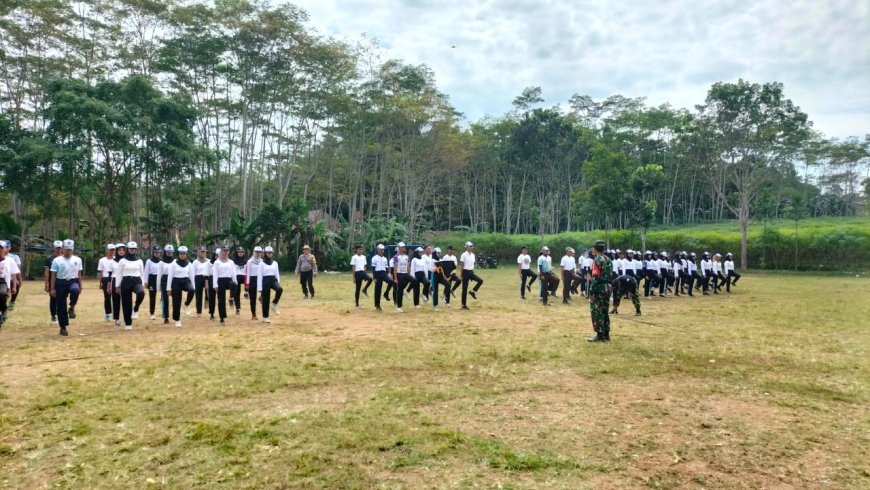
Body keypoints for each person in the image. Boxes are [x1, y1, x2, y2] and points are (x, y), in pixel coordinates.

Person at [48, 240, 83, 336]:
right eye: (67, 250)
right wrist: (52, 288)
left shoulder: (78, 260)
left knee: (75, 291)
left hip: (73, 281)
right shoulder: (57, 260)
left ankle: (71, 307)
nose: (68, 252)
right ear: (63, 249)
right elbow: (53, 275)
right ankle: (63, 327)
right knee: (61, 306)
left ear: (73, 250)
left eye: (70, 250)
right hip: (60, 282)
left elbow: (79, 273)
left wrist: (80, 285)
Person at [114, 242, 146, 330]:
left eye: (134, 249)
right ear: (128, 249)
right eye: (130, 249)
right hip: (126, 281)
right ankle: (128, 323)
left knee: (141, 293)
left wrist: (142, 285)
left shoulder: (139, 261)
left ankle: (135, 308)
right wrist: (117, 286)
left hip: (136, 280)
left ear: (136, 250)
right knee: (126, 303)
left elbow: (142, 274)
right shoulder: (122, 261)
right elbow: (119, 274)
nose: (132, 250)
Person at [588, 241, 613, 343]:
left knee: (597, 312)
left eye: (593, 248)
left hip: (599, 288)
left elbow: (596, 278)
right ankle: (606, 334)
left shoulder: (597, 260)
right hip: (607, 287)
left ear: (595, 249)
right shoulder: (608, 259)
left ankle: (600, 334)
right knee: (605, 311)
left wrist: (591, 292)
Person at [164, 246, 195, 328]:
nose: (182, 255)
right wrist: (168, 288)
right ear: (178, 254)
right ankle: (177, 320)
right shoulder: (173, 264)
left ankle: (187, 304)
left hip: (185, 280)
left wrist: (193, 286)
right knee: (176, 302)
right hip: (176, 282)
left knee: (191, 290)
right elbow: (170, 276)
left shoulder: (189, 264)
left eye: (184, 254)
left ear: (186, 254)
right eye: (181, 253)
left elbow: (192, 276)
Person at [212, 247, 237, 325]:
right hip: (220, 280)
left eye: (227, 251)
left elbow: (233, 273)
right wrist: (215, 285)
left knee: (233, 284)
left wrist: (235, 281)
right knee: (221, 300)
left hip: (229, 280)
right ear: (221, 252)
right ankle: (222, 318)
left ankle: (231, 298)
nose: (225, 253)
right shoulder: (217, 262)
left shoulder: (231, 262)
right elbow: (215, 274)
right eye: (224, 251)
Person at [257, 246, 282, 322]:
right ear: (265, 253)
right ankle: (265, 317)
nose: (270, 254)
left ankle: (275, 303)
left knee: (280, 289)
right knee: (266, 300)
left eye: (271, 253)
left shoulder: (275, 263)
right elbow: (260, 276)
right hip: (265, 281)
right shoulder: (261, 264)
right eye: (268, 253)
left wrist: (278, 282)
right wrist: (260, 288)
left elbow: (277, 274)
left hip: (273, 280)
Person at [43, 240, 63, 324]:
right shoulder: (49, 259)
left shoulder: (64, 258)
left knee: (61, 299)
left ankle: (60, 314)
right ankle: (53, 316)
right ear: (54, 248)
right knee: (53, 298)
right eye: (57, 248)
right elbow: (47, 272)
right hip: (52, 281)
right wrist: (46, 284)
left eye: (60, 248)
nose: (58, 249)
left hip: (62, 281)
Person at [459, 242, 483, 310]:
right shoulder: (463, 255)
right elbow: (462, 265)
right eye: (470, 246)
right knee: (464, 289)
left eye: (472, 246)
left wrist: (472, 271)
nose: (471, 247)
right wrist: (461, 275)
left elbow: (472, 264)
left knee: (480, 280)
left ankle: (472, 291)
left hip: (471, 272)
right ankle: (463, 305)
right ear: (466, 247)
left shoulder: (473, 255)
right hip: (465, 272)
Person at [391, 242, 414, 313]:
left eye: (404, 247)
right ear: (399, 248)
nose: (404, 248)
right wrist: (395, 278)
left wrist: (409, 274)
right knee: (399, 290)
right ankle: (399, 307)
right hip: (399, 274)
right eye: (402, 247)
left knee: (414, 280)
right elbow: (395, 268)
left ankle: (407, 291)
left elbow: (407, 266)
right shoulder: (396, 257)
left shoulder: (406, 256)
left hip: (405, 273)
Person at [0, 246, 19, 328]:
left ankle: (3, 310)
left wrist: (14, 286)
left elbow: (13, 274)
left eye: (1, 248)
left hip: (3, 281)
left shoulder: (9, 260)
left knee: (2, 295)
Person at [370, 244, 393, 312]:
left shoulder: (385, 258)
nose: (382, 250)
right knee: (378, 290)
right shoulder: (374, 258)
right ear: (377, 250)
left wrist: (387, 275)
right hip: (377, 273)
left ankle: (386, 293)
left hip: (383, 273)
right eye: (380, 249)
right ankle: (377, 305)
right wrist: (374, 278)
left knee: (391, 281)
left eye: (383, 249)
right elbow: (373, 269)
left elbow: (386, 268)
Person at [97, 244, 116, 322]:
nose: (112, 252)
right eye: (110, 250)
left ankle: (116, 313)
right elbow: (101, 272)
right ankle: (107, 314)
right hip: (105, 279)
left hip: (114, 278)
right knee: (107, 297)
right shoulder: (102, 260)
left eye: (113, 250)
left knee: (115, 297)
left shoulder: (116, 259)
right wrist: (100, 282)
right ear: (107, 251)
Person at [109, 243, 126, 326]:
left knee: (126, 300)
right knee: (116, 300)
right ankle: (117, 319)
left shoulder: (127, 260)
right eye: (119, 250)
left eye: (123, 250)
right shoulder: (112, 261)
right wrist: (109, 286)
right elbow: (109, 274)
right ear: (116, 251)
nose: (121, 252)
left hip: (125, 280)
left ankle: (127, 318)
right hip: (115, 280)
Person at [192, 246, 212, 317]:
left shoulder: (209, 261)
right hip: (198, 278)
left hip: (207, 277)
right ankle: (199, 312)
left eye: (204, 252)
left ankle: (207, 301)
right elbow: (193, 273)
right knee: (198, 295)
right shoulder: (195, 262)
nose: (202, 253)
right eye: (201, 252)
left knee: (209, 292)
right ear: (198, 252)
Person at [245, 246, 264, 320]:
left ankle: (261, 297)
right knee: (252, 298)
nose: (258, 254)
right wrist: (247, 283)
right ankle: (254, 314)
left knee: (264, 294)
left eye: (259, 252)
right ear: (254, 252)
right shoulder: (250, 261)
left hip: (260, 279)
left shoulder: (262, 261)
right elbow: (247, 273)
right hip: (252, 279)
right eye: (257, 252)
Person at [144, 246, 162, 320]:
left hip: (160, 278)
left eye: (158, 252)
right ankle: (152, 313)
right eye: (156, 252)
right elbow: (146, 272)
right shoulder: (149, 261)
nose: (157, 254)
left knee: (163, 296)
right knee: (152, 297)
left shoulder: (161, 261)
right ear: (153, 253)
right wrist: (146, 281)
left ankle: (164, 312)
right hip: (152, 279)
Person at [5, 242, 21, 309]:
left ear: (10, 248)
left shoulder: (14, 257)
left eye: (7, 247)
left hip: (11, 278)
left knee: (16, 284)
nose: (5, 248)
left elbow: (17, 270)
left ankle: (12, 302)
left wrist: (19, 279)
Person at [231, 247, 247, 315]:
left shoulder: (246, 261)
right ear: (237, 253)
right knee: (237, 292)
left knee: (250, 282)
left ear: (243, 253)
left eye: (242, 252)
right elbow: (233, 271)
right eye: (239, 252)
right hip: (237, 276)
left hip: (244, 276)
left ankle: (247, 292)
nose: (240, 253)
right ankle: (237, 308)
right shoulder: (233, 261)